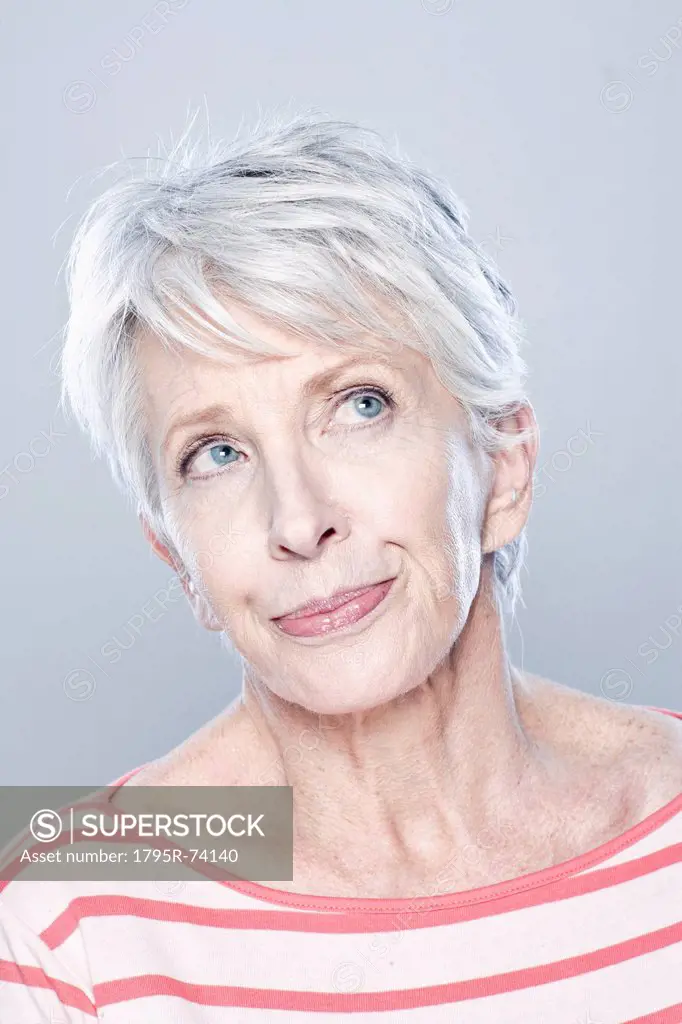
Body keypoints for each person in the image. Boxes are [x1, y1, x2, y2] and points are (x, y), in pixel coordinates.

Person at [1, 110, 680, 1022]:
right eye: (216, 453)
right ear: (177, 559)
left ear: (504, 467)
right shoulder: (59, 926)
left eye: (360, 405)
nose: (298, 520)